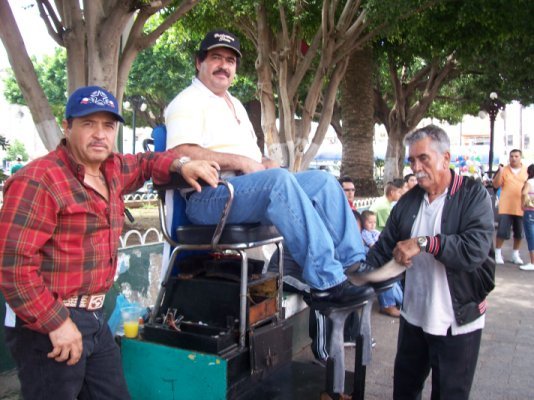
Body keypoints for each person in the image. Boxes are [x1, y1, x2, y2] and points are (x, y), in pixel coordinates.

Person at [0, 85, 220, 400]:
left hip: (95, 316)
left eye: (108, 125)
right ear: (68, 126)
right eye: (89, 123)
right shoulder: (39, 180)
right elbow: (13, 265)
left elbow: (146, 163)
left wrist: (181, 164)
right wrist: (56, 323)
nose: (100, 134)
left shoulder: (112, 169)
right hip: (49, 320)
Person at [164, 29, 370, 305]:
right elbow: (182, 152)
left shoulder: (234, 104)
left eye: (230, 60)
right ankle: (326, 283)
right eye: (216, 58)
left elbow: (249, 157)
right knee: (278, 181)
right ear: (199, 62)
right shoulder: (187, 101)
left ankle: (353, 266)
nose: (224, 66)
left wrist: (263, 162)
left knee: (323, 182)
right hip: (209, 197)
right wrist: (243, 162)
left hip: (243, 191)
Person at [358, 124, 495, 399]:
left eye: (423, 159)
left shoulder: (473, 195)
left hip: (457, 320)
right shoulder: (409, 201)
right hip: (414, 317)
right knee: (405, 391)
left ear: (445, 158)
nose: (416, 167)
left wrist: (424, 243)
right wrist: (356, 275)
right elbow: (384, 248)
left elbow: (475, 249)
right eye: (412, 160)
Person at [361, 209, 403, 317]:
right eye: (370, 222)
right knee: (383, 272)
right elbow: (375, 247)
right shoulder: (365, 234)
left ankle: (401, 300)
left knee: (396, 273)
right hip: (369, 260)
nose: (372, 225)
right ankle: (388, 304)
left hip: (375, 257)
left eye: (374, 222)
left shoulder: (375, 232)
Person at [493, 149, 528, 265]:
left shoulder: (526, 170)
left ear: (520, 157)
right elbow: (496, 184)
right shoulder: (505, 170)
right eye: (511, 156)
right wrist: (500, 172)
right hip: (506, 206)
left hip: (521, 206)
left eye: (516, 156)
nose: (513, 158)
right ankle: (497, 253)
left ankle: (515, 254)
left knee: (519, 233)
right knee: (502, 232)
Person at [520, 164, 534, 271]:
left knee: (531, 236)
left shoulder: (530, 182)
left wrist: (524, 204)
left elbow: (524, 193)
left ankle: (533, 262)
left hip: (530, 212)